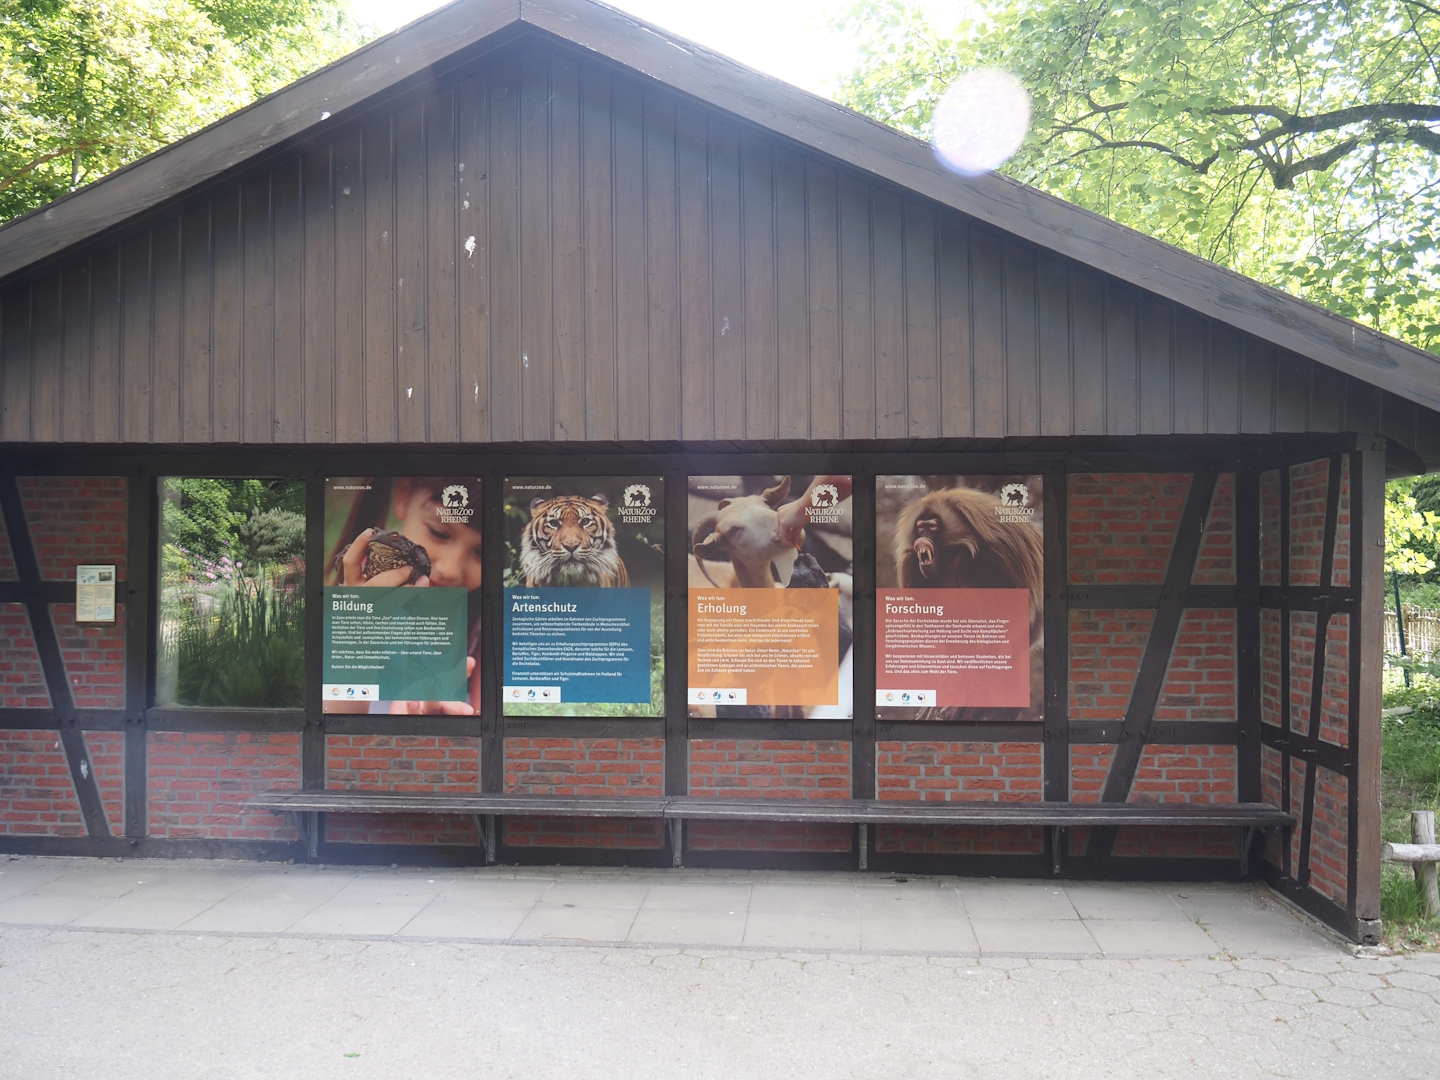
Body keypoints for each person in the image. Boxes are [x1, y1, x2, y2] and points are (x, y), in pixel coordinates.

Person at [327, 478, 482, 715]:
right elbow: (331, 716)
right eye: (439, 532)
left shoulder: (484, 620)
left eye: (481, 552)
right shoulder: (359, 587)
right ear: (403, 495)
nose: (451, 570)